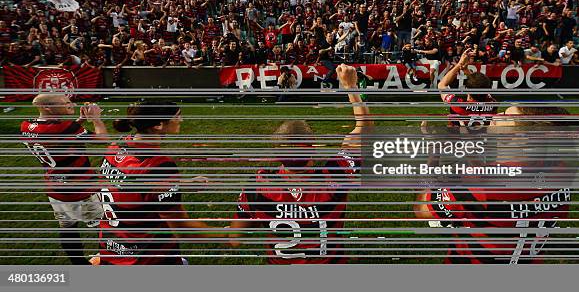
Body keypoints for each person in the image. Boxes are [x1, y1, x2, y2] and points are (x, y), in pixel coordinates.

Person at [228, 64, 371, 263]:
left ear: (277, 154)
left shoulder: (257, 185)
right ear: (312, 149)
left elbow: (235, 238)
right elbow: (365, 129)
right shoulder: (336, 173)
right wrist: (351, 87)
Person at [414, 106, 579, 264]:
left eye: (506, 115)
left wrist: (433, 152)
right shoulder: (562, 169)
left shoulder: (471, 186)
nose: (497, 114)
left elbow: (421, 209)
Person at [92, 100, 222, 265]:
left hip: (112, 249)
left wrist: (184, 184)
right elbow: (183, 230)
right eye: (177, 116)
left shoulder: (116, 146)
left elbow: (131, 184)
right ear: (159, 125)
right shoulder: (159, 167)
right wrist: (226, 234)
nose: (181, 120)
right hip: (149, 258)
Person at [20, 94, 106, 265]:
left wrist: (80, 120)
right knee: (104, 225)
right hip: (80, 187)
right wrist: (96, 119)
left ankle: (78, 263)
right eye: (65, 103)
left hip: (54, 186)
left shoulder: (26, 125)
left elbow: (60, 136)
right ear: (48, 108)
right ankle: (108, 260)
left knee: (68, 227)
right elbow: (103, 139)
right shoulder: (64, 127)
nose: (71, 104)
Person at [437, 48, 497, 128]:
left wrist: (459, 64)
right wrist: (466, 70)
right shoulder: (493, 105)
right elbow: (481, 87)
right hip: (481, 139)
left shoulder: (457, 104)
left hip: (458, 139)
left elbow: (441, 85)